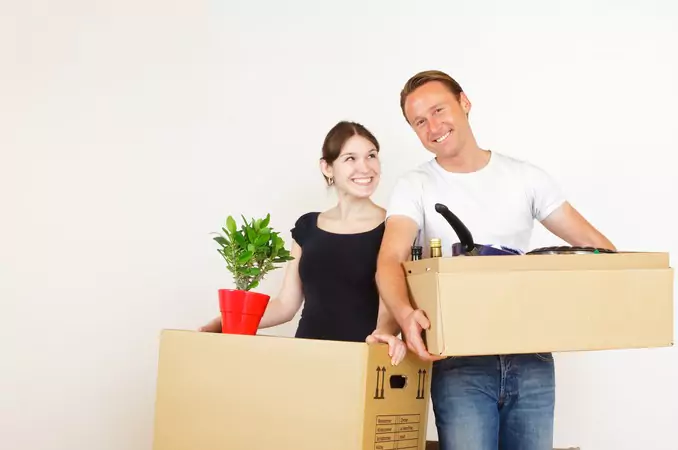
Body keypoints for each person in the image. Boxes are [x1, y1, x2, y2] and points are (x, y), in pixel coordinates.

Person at [376, 70, 616, 450]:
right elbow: (389, 259)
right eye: (419, 121)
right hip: (457, 360)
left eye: (439, 110)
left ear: (465, 103)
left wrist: (623, 286)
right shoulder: (415, 186)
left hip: (531, 356)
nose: (433, 126)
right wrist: (405, 314)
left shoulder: (526, 178)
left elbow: (597, 247)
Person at [199, 120, 405, 365]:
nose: (365, 167)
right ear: (327, 167)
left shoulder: (396, 226)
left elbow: (393, 301)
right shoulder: (308, 227)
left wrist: (384, 333)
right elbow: (286, 304)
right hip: (305, 359)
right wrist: (226, 322)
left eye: (371, 156)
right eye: (350, 158)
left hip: (363, 360)